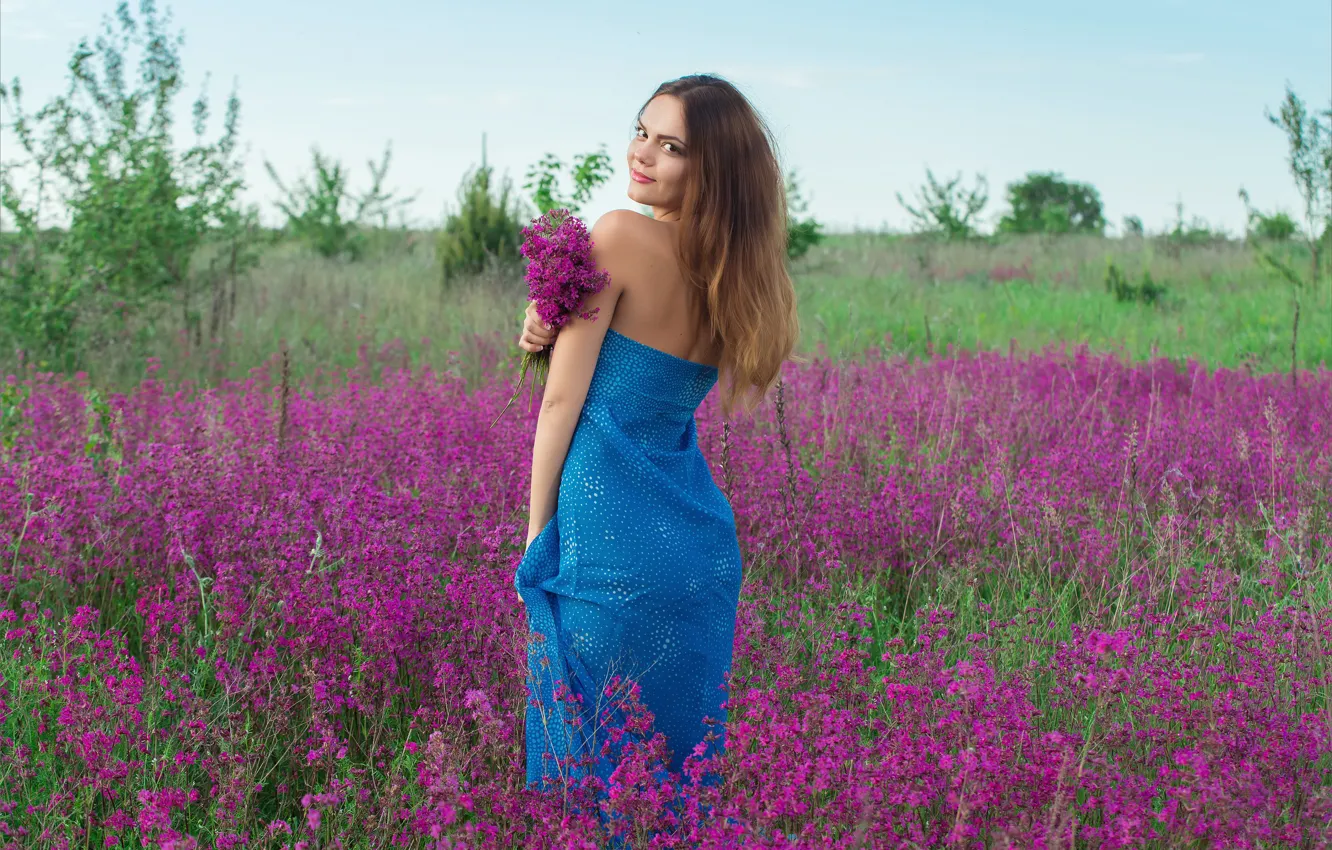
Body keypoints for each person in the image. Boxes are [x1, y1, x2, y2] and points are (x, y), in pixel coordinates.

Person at [512, 74, 802, 804]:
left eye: (671, 146)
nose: (642, 154)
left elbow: (563, 404)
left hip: (608, 543)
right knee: (671, 783)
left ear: (710, 171)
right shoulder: (736, 275)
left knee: (586, 785)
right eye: (642, 131)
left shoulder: (617, 233)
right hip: (698, 556)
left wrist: (535, 537)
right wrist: (544, 326)